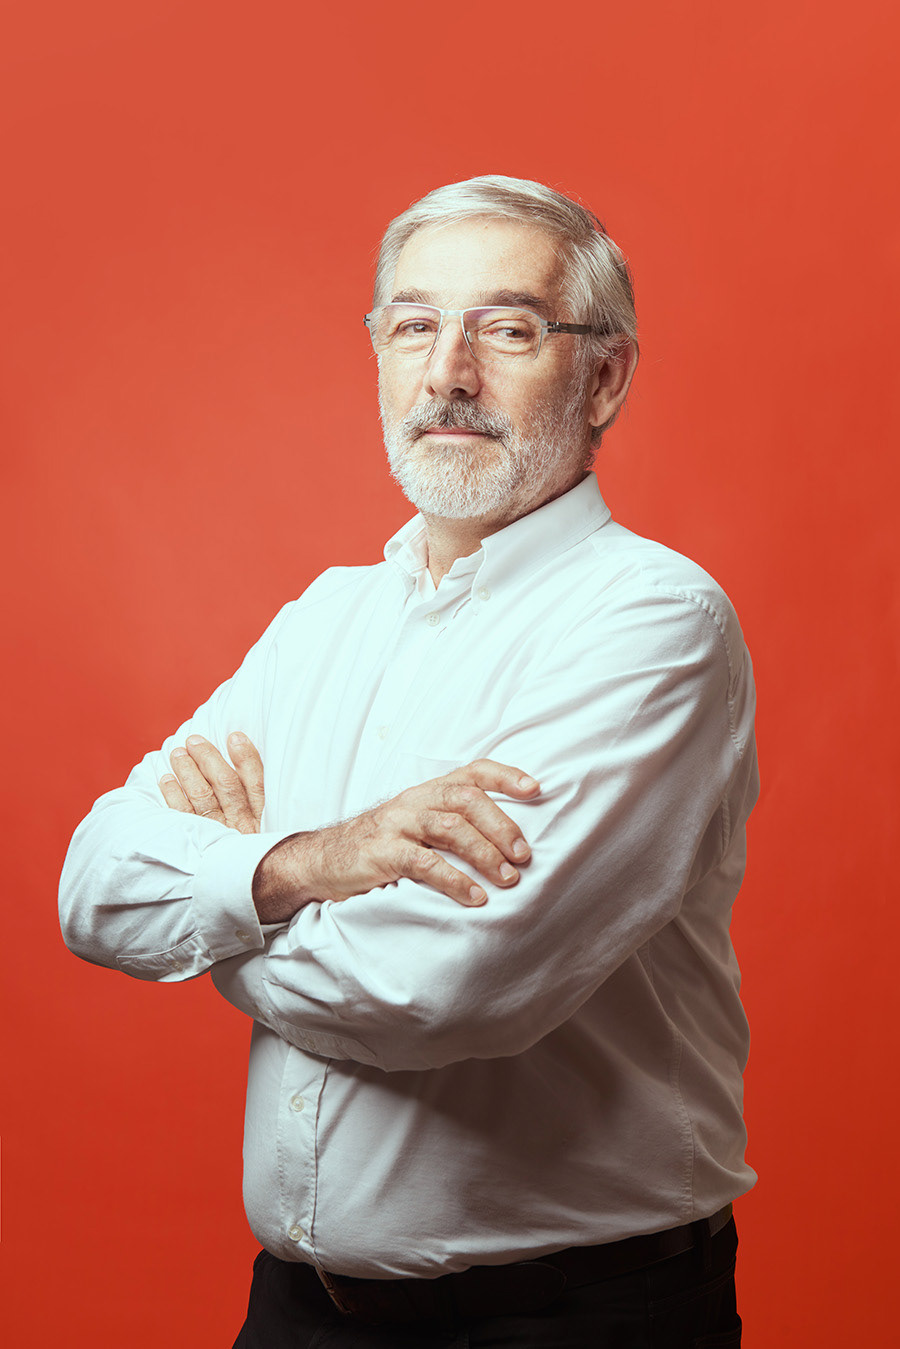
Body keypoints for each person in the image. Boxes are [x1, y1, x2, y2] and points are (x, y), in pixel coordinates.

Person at [59, 175, 758, 1347]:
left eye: (509, 328)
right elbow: (94, 884)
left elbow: (440, 988)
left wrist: (220, 915)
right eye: (414, 324)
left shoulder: (652, 623)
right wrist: (309, 865)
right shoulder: (326, 619)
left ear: (605, 378)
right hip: (298, 1313)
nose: (449, 372)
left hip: (572, 1318)